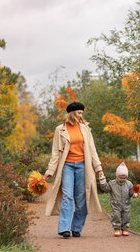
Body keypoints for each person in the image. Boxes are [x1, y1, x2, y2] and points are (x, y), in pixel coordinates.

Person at [43, 102, 104, 238]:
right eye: (79, 113)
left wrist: (98, 168)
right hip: (67, 167)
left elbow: (92, 150)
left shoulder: (85, 129)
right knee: (67, 196)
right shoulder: (60, 130)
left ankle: (76, 227)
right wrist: (50, 171)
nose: (81, 115)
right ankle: (64, 228)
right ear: (72, 113)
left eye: (82, 113)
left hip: (83, 166)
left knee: (82, 197)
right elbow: (55, 153)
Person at [98, 162, 139, 237]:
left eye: (124, 178)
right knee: (116, 216)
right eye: (120, 178)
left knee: (126, 216)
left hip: (126, 204)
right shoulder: (112, 184)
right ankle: (117, 229)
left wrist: (134, 194)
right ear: (117, 176)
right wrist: (102, 181)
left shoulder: (129, 184)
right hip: (116, 204)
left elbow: (131, 192)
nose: (122, 179)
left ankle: (125, 229)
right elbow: (105, 188)